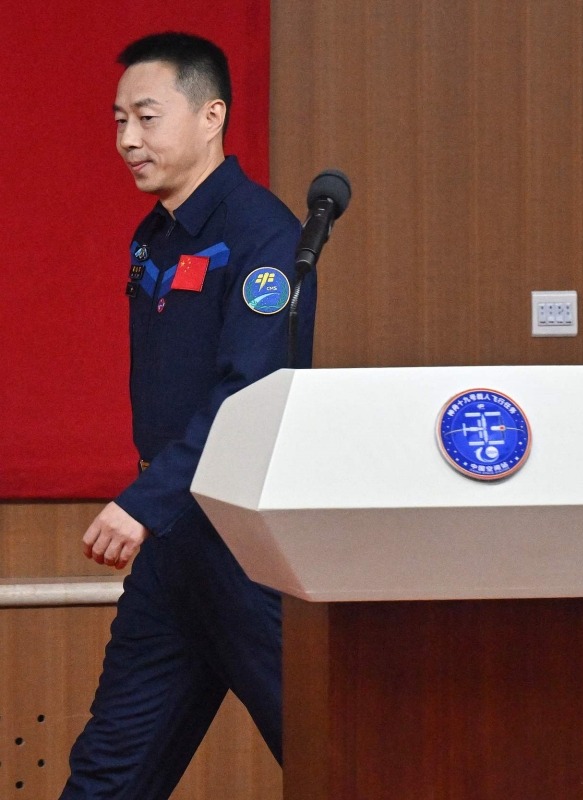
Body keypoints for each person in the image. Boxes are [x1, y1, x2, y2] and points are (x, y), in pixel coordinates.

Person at [61, 32, 315, 799]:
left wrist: (144, 502)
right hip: (176, 545)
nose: (127, 140)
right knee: (110, 766)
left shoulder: (266, 235)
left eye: (145, 116)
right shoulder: (159, 235)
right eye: (117, 121)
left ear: (212, 115)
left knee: (336, 758)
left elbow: (248, 393)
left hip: (244, 546)